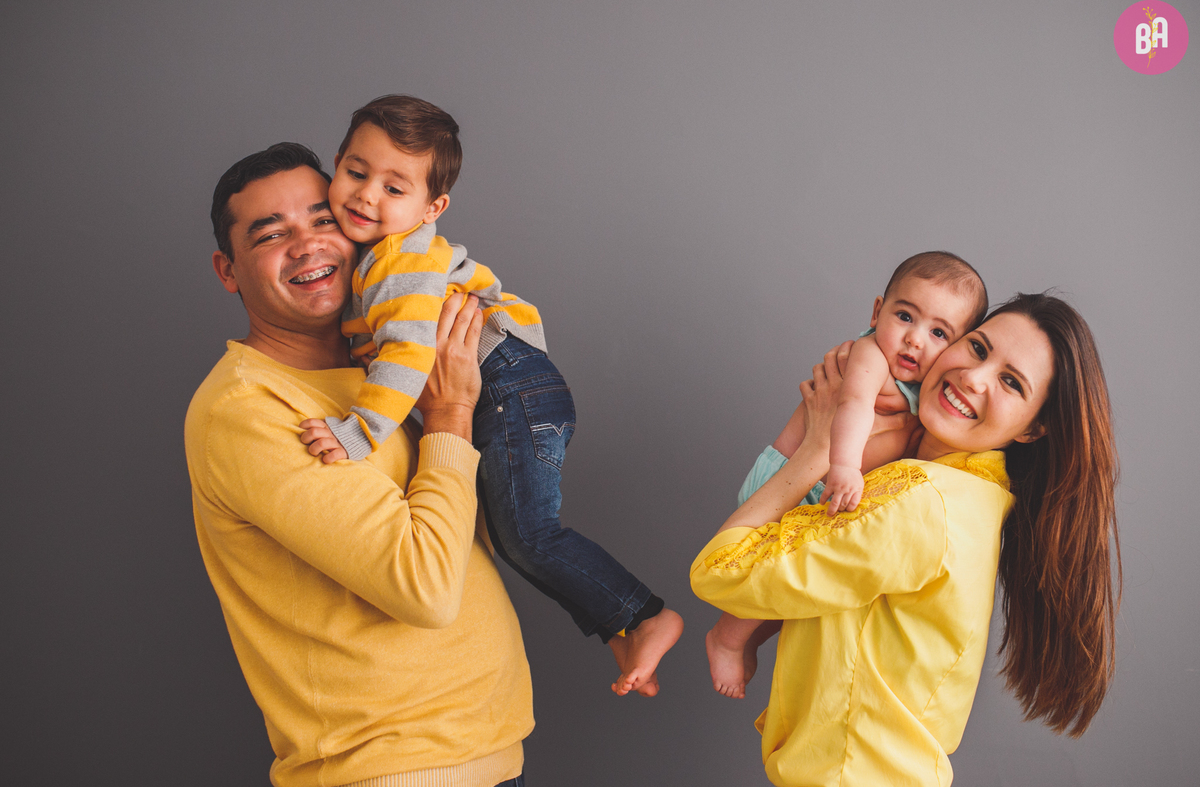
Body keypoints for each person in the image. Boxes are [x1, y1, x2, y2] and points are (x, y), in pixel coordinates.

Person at [297, 95, 682, 696]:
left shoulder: (400, 261)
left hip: (505, 387)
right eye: (356, 172)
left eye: (395, 188)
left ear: (432, 208)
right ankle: (620, 627)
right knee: (509, 535)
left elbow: (406, 358)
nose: (367, 196)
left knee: (526, 533)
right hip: (510, 386)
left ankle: (648, 614)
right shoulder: (379, 259)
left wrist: (358, 432)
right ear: (336, 165)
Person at [186, 142, 533, 787]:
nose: (308, 245)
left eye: (323, 220)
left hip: (480, 752)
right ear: (227, 270)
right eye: (271, 234)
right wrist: (453, 414)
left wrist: (616, 616)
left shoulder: (379, 376)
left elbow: (469, 535)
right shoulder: (249, 409)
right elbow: (423, 588)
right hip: (392, 768)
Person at [690, 293, 1120, 786]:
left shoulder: (920, 500)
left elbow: (719, 572)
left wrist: (819, 446)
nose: (974, 379)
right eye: (978, 348)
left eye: (1010, 382)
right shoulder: (972, 494)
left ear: (1033, 428)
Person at [706, 251, 989, 698]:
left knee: (784, 600)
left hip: (827, 494)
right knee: (764, 577)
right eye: (904, 316)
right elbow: (854, 404)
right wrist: (843, 466)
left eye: (938, 332)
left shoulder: (923, 390)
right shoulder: (870, 353)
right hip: (798, 485)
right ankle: (725, 638)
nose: (915, 340)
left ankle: (749, 639)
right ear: (878, 312)